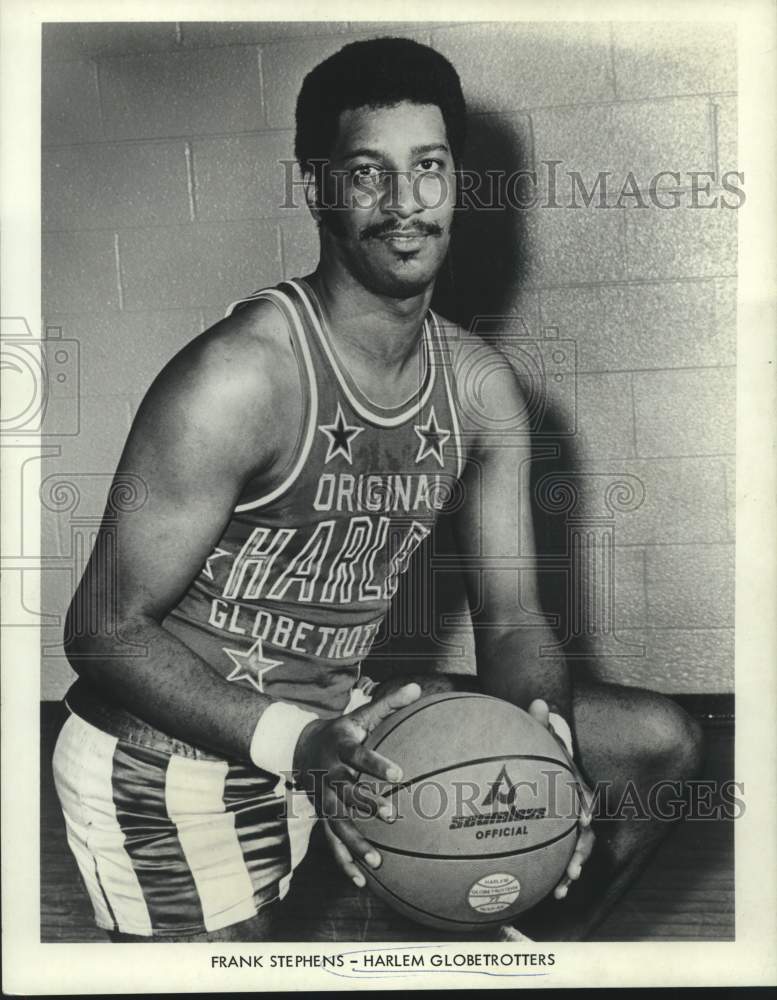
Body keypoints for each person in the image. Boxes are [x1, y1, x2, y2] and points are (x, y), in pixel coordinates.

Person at [52, 36, 703, 943]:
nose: (405, 205)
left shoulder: (479, 387)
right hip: (171, 762)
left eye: (428, 169)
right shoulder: (237, 379)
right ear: (319, 186)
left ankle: (522, 949)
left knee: (651, 745)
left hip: (342, 724)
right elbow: (100, 629)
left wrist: (546, 760)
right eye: (368, 174)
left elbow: (513, 623)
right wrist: (297, 745)